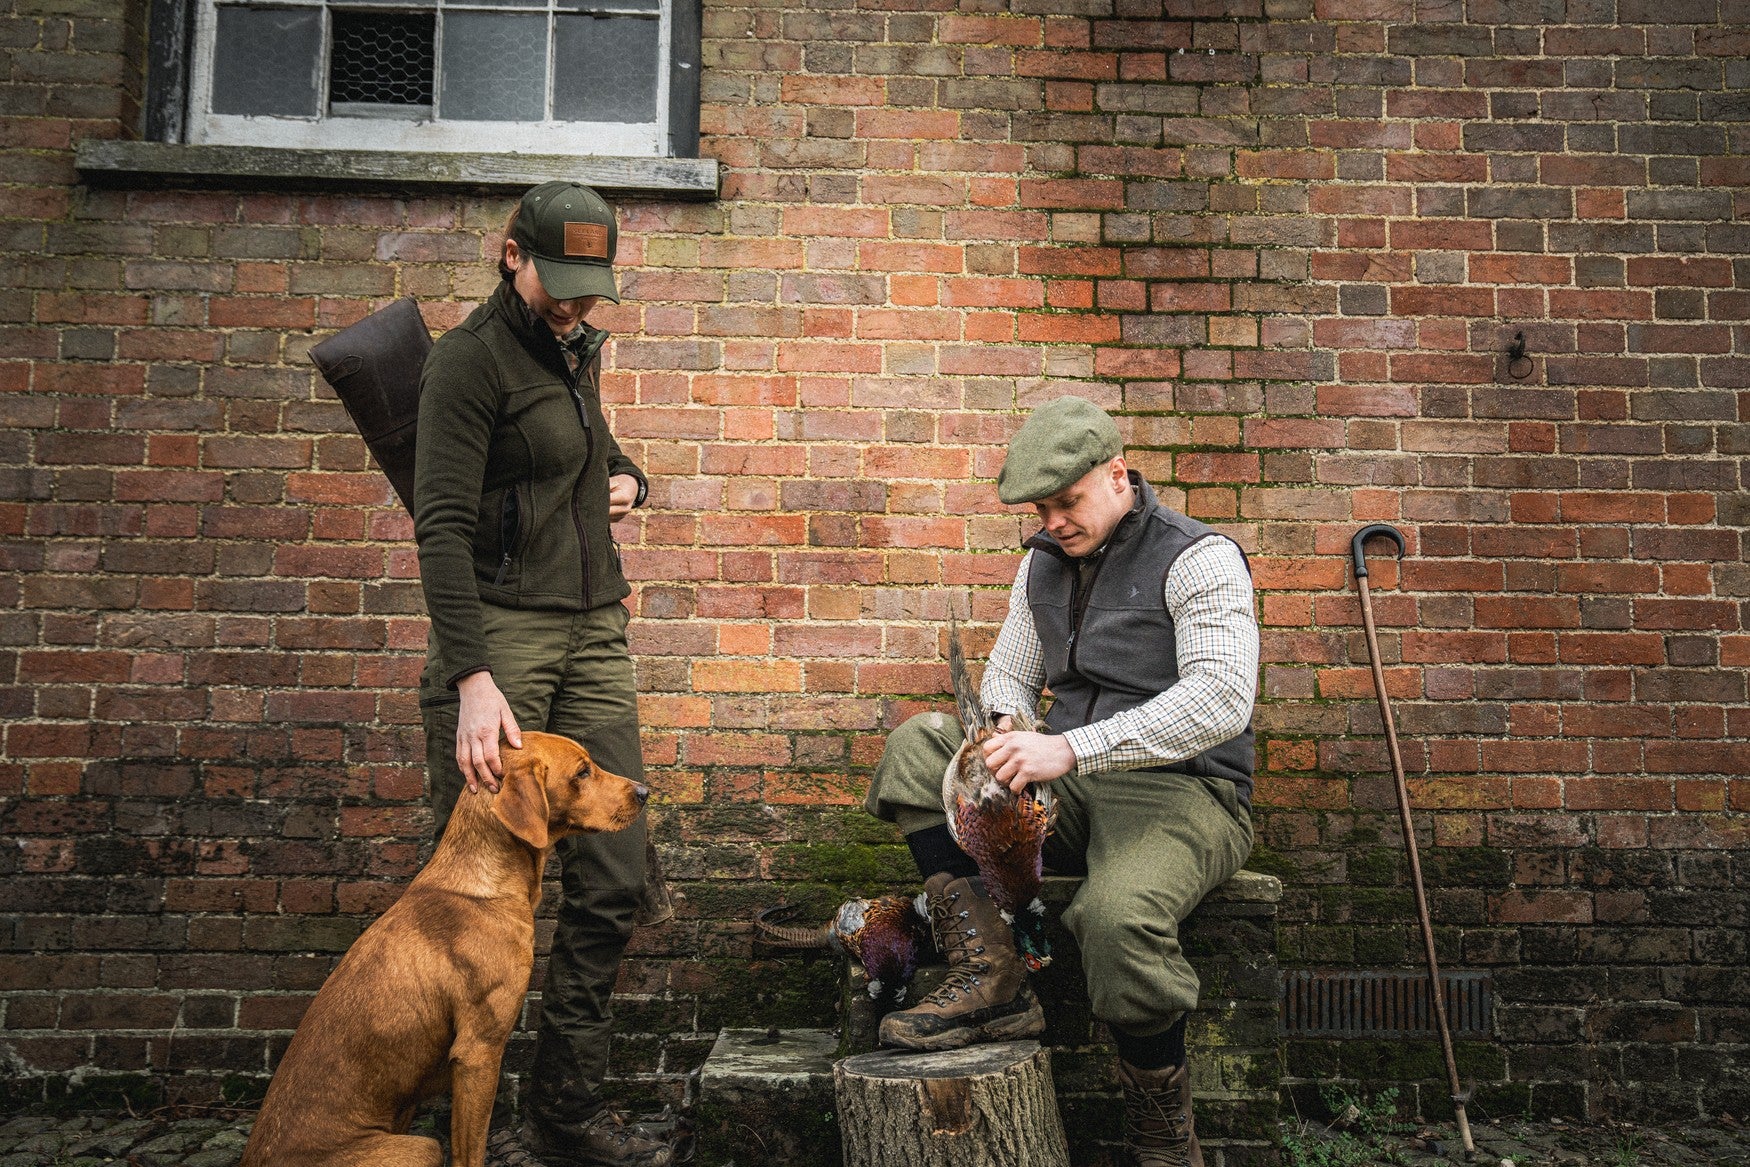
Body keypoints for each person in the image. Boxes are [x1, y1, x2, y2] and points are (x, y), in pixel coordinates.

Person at [863, 396, 1258, 1167]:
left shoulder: (1199, 557)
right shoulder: (1042, 562)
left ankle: (1163, 1136)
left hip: (1184, 791)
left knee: (1115, 918)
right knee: (922, 746)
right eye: (1041, 509)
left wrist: (1070, 747)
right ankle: (993, 972)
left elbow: (1220, 698)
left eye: (1066, 502)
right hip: (1072, 781)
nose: (1053, 522)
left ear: (1117, 476)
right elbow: (1012, 671)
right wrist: (1006, 729)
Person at [414, 180, 676, 1167]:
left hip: (593, 633)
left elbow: (593, 451)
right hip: (504, 641)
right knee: (468, 892)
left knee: (612, 877)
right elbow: (438, 523)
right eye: (555, 284)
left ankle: (564, 1112)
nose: (571, 305)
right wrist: (472, 677)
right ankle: (446, 1132)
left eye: (586, 289)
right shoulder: (468, 363)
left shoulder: (576, 351)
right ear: (509, 254)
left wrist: (629, 478)